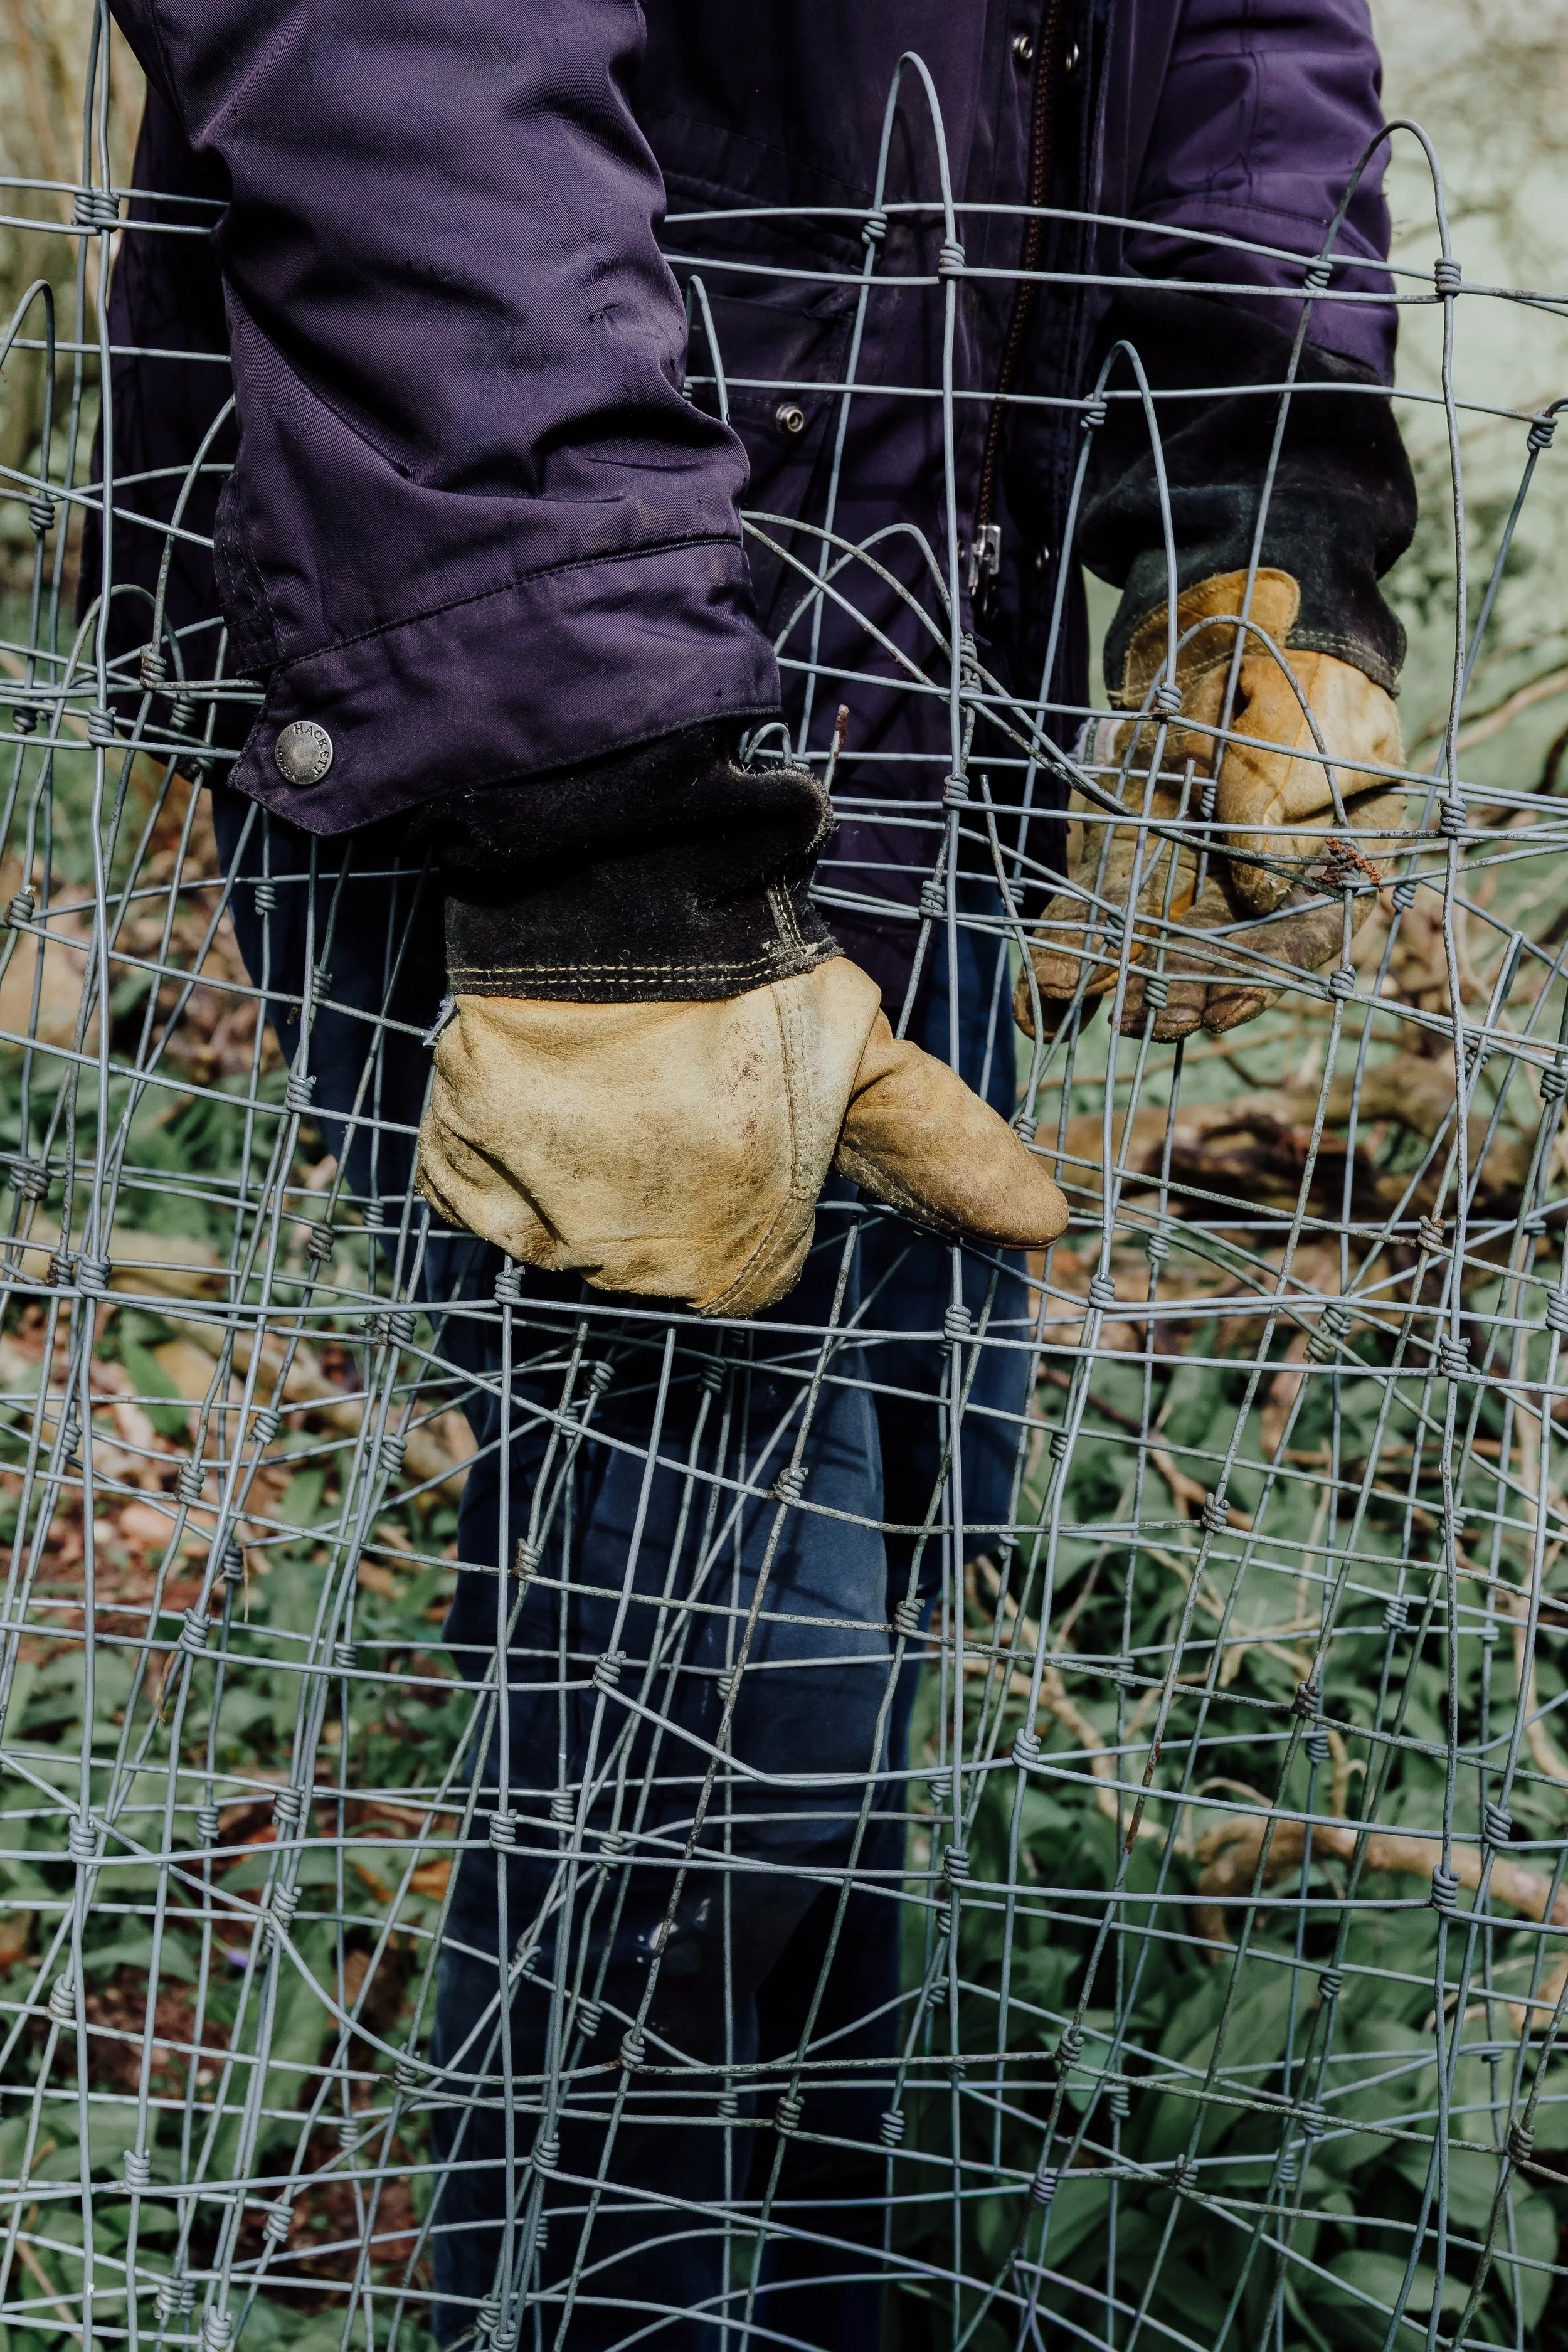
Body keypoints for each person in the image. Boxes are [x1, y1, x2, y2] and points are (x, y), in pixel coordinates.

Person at [88, 4, 1416, 2346]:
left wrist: (1250, 500)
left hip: (925, 651)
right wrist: (603, 800)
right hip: (509, 662)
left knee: (851, 1642)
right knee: (719, 1717)